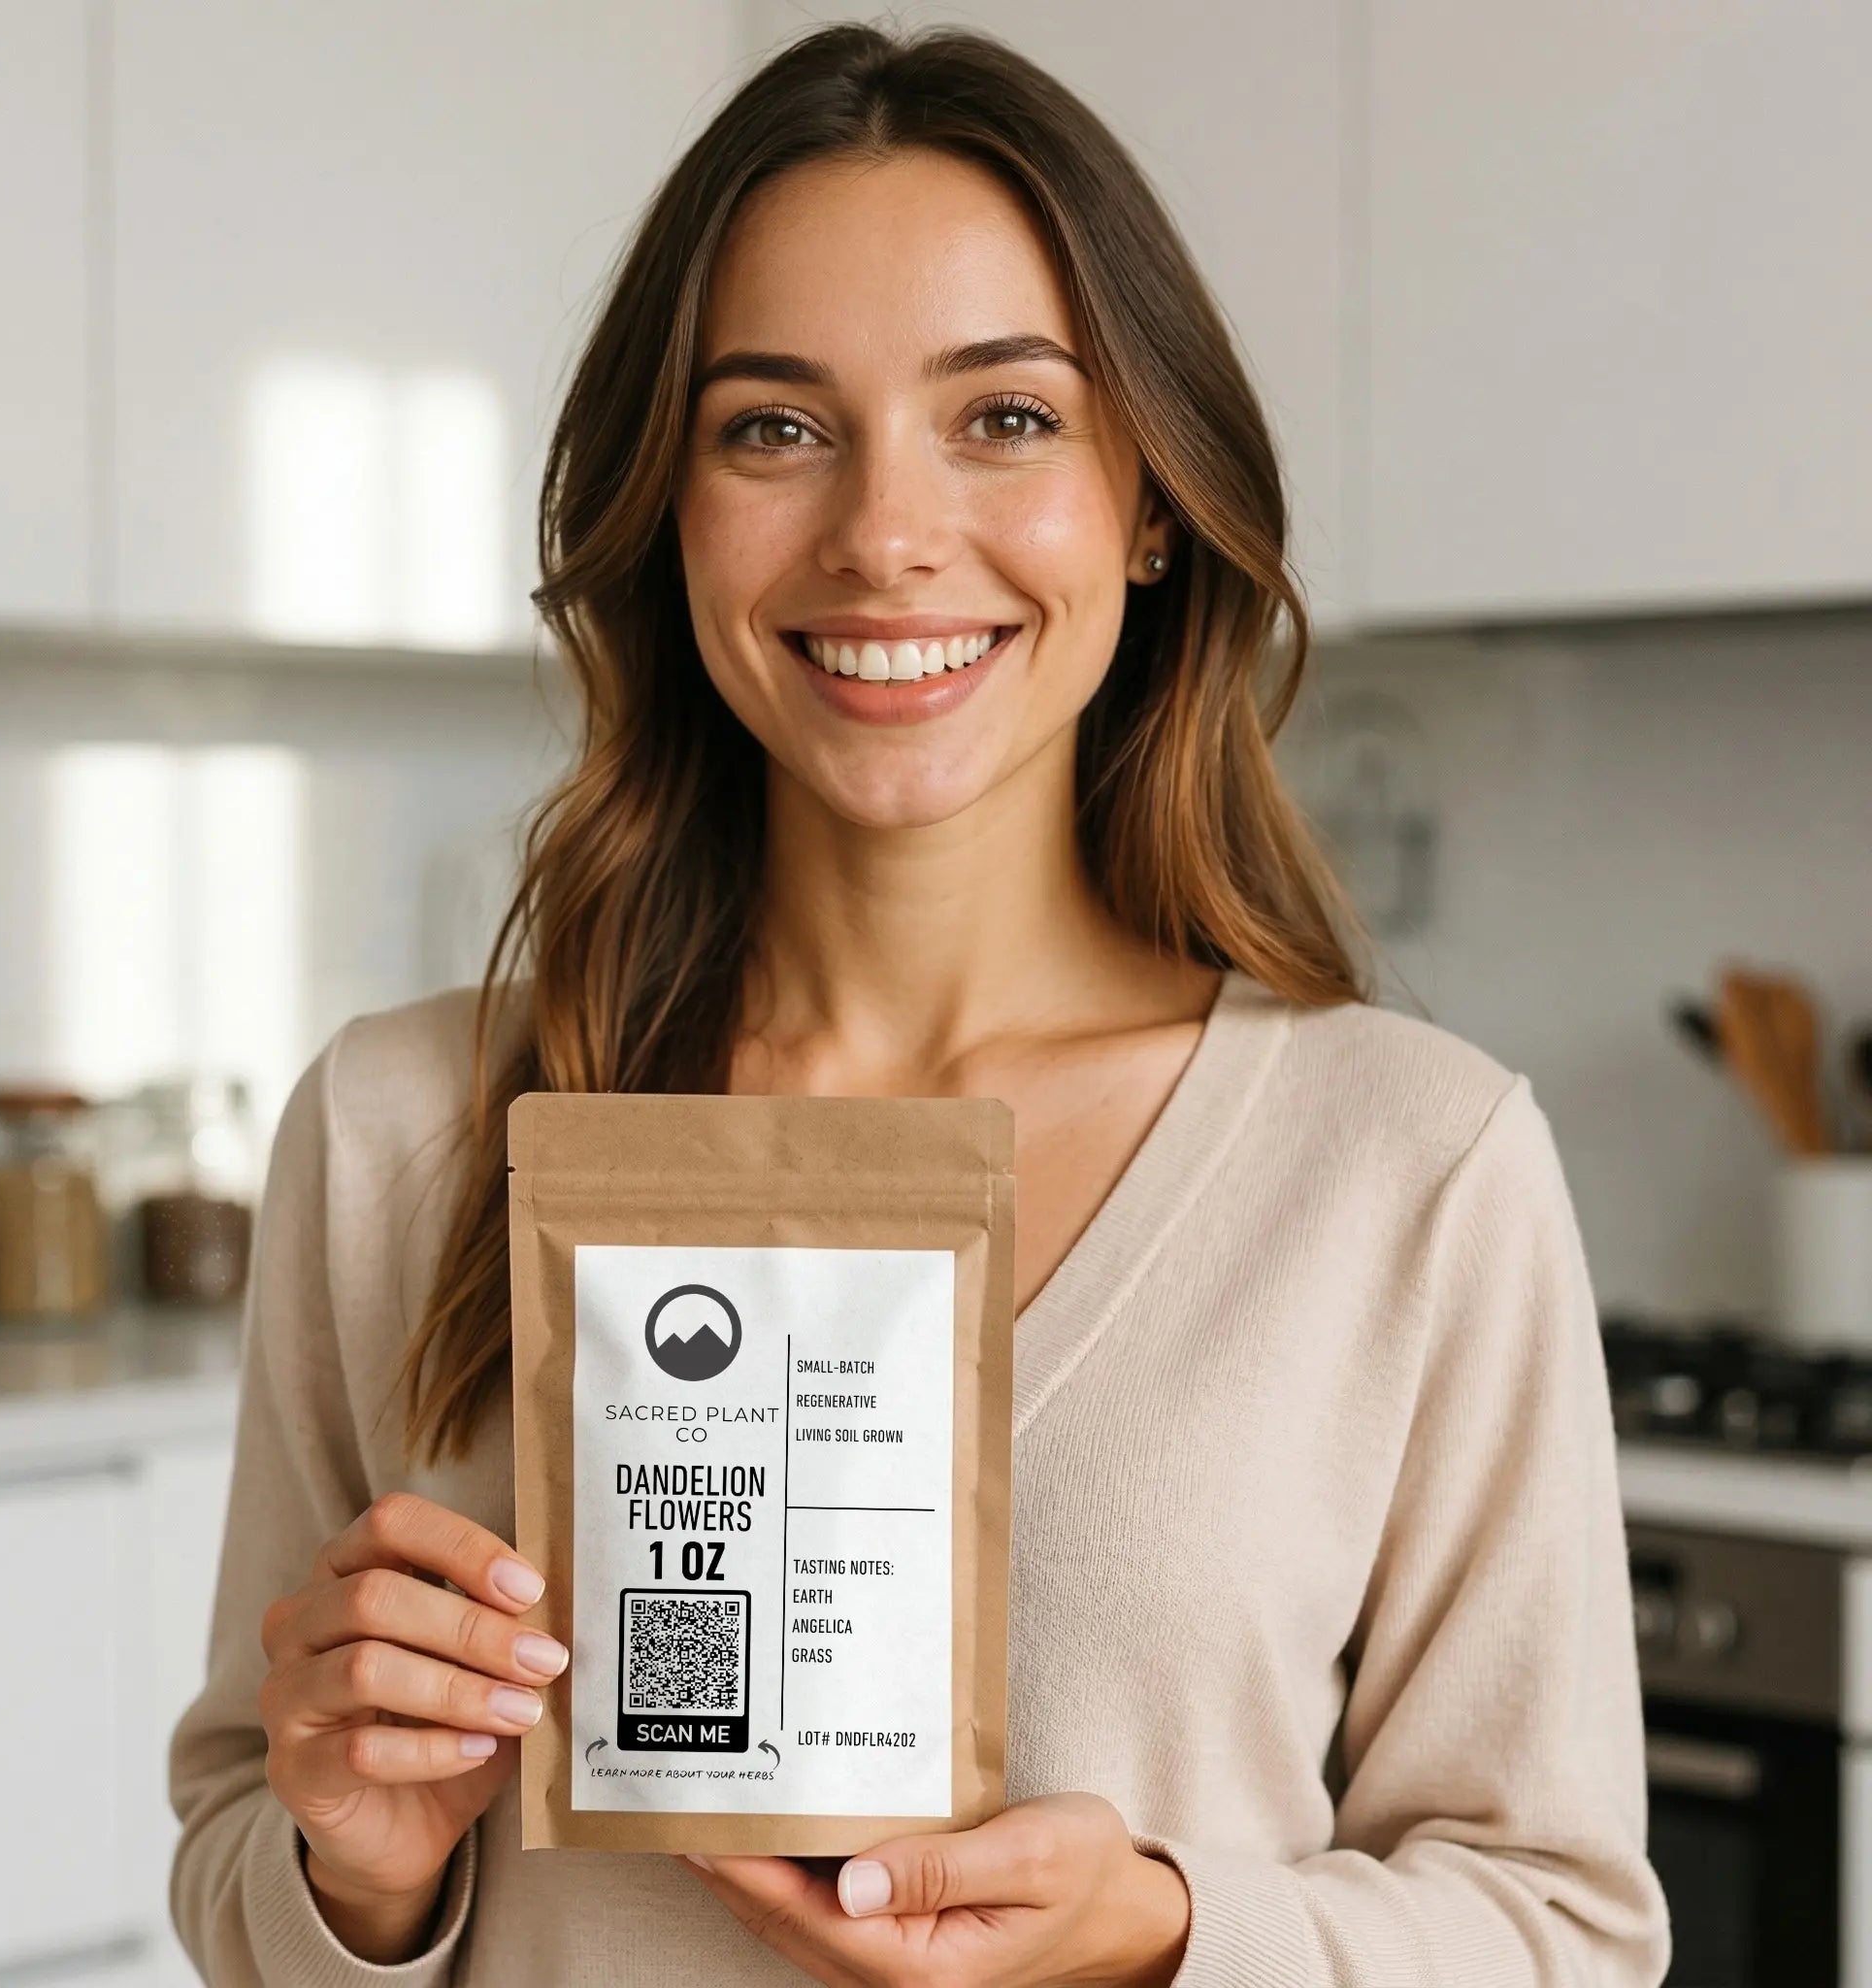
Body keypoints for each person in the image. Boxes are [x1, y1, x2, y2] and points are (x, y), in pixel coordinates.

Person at [169, 22, 1669, 1986]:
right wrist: (355, 1870)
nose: (882, 531)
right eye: (771, 427)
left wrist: (1165, 1932)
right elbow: (233, 1865)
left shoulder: (1412, 1164)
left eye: (1006, 418)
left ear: (1148, 501)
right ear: (671, 510)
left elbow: (1566, 1931)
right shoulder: (400, 1132)